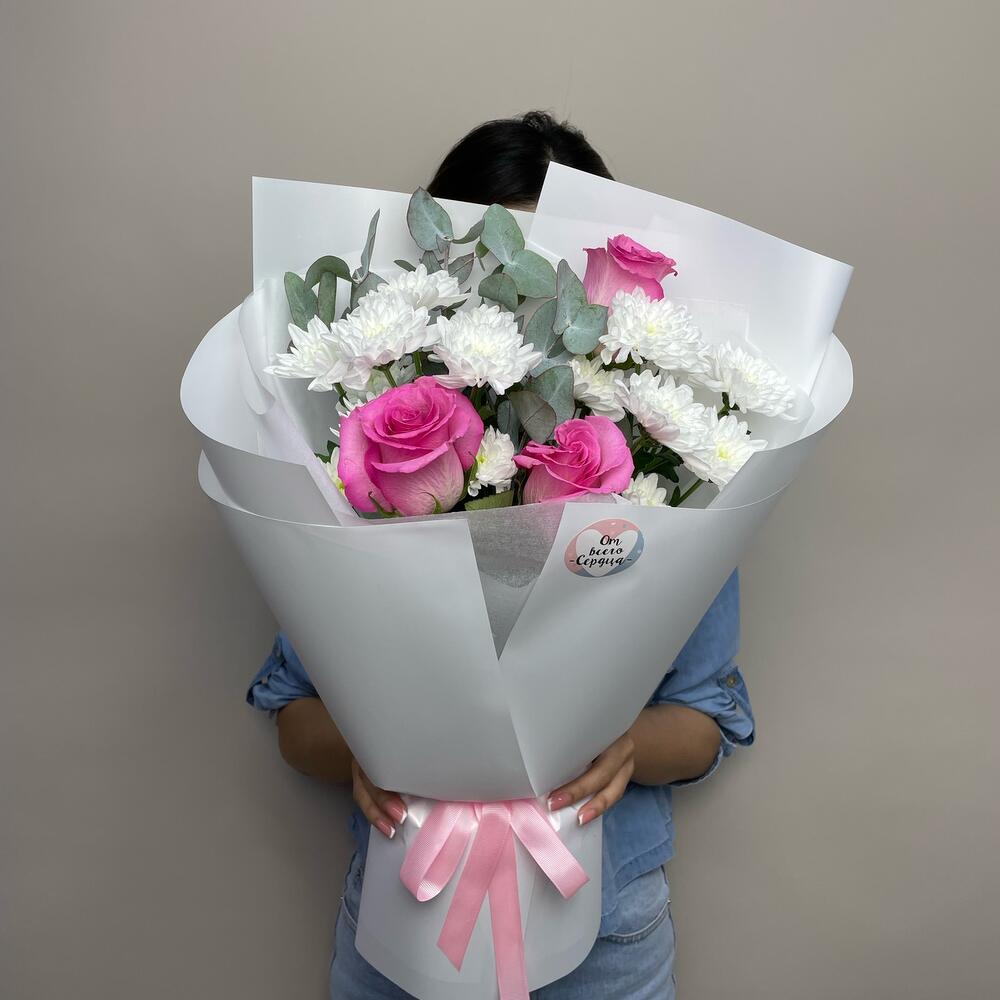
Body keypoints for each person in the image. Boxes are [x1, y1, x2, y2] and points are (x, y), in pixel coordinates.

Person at [246, 111, 755, 1000]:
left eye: (557, 274)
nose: (533, 301)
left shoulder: (672, 491)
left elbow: (707, 721)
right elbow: (295, 718)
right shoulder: (361, 473)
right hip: (403, 916)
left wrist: (622, 744)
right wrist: (379, 749)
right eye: (501, 267)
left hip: (608, 933)